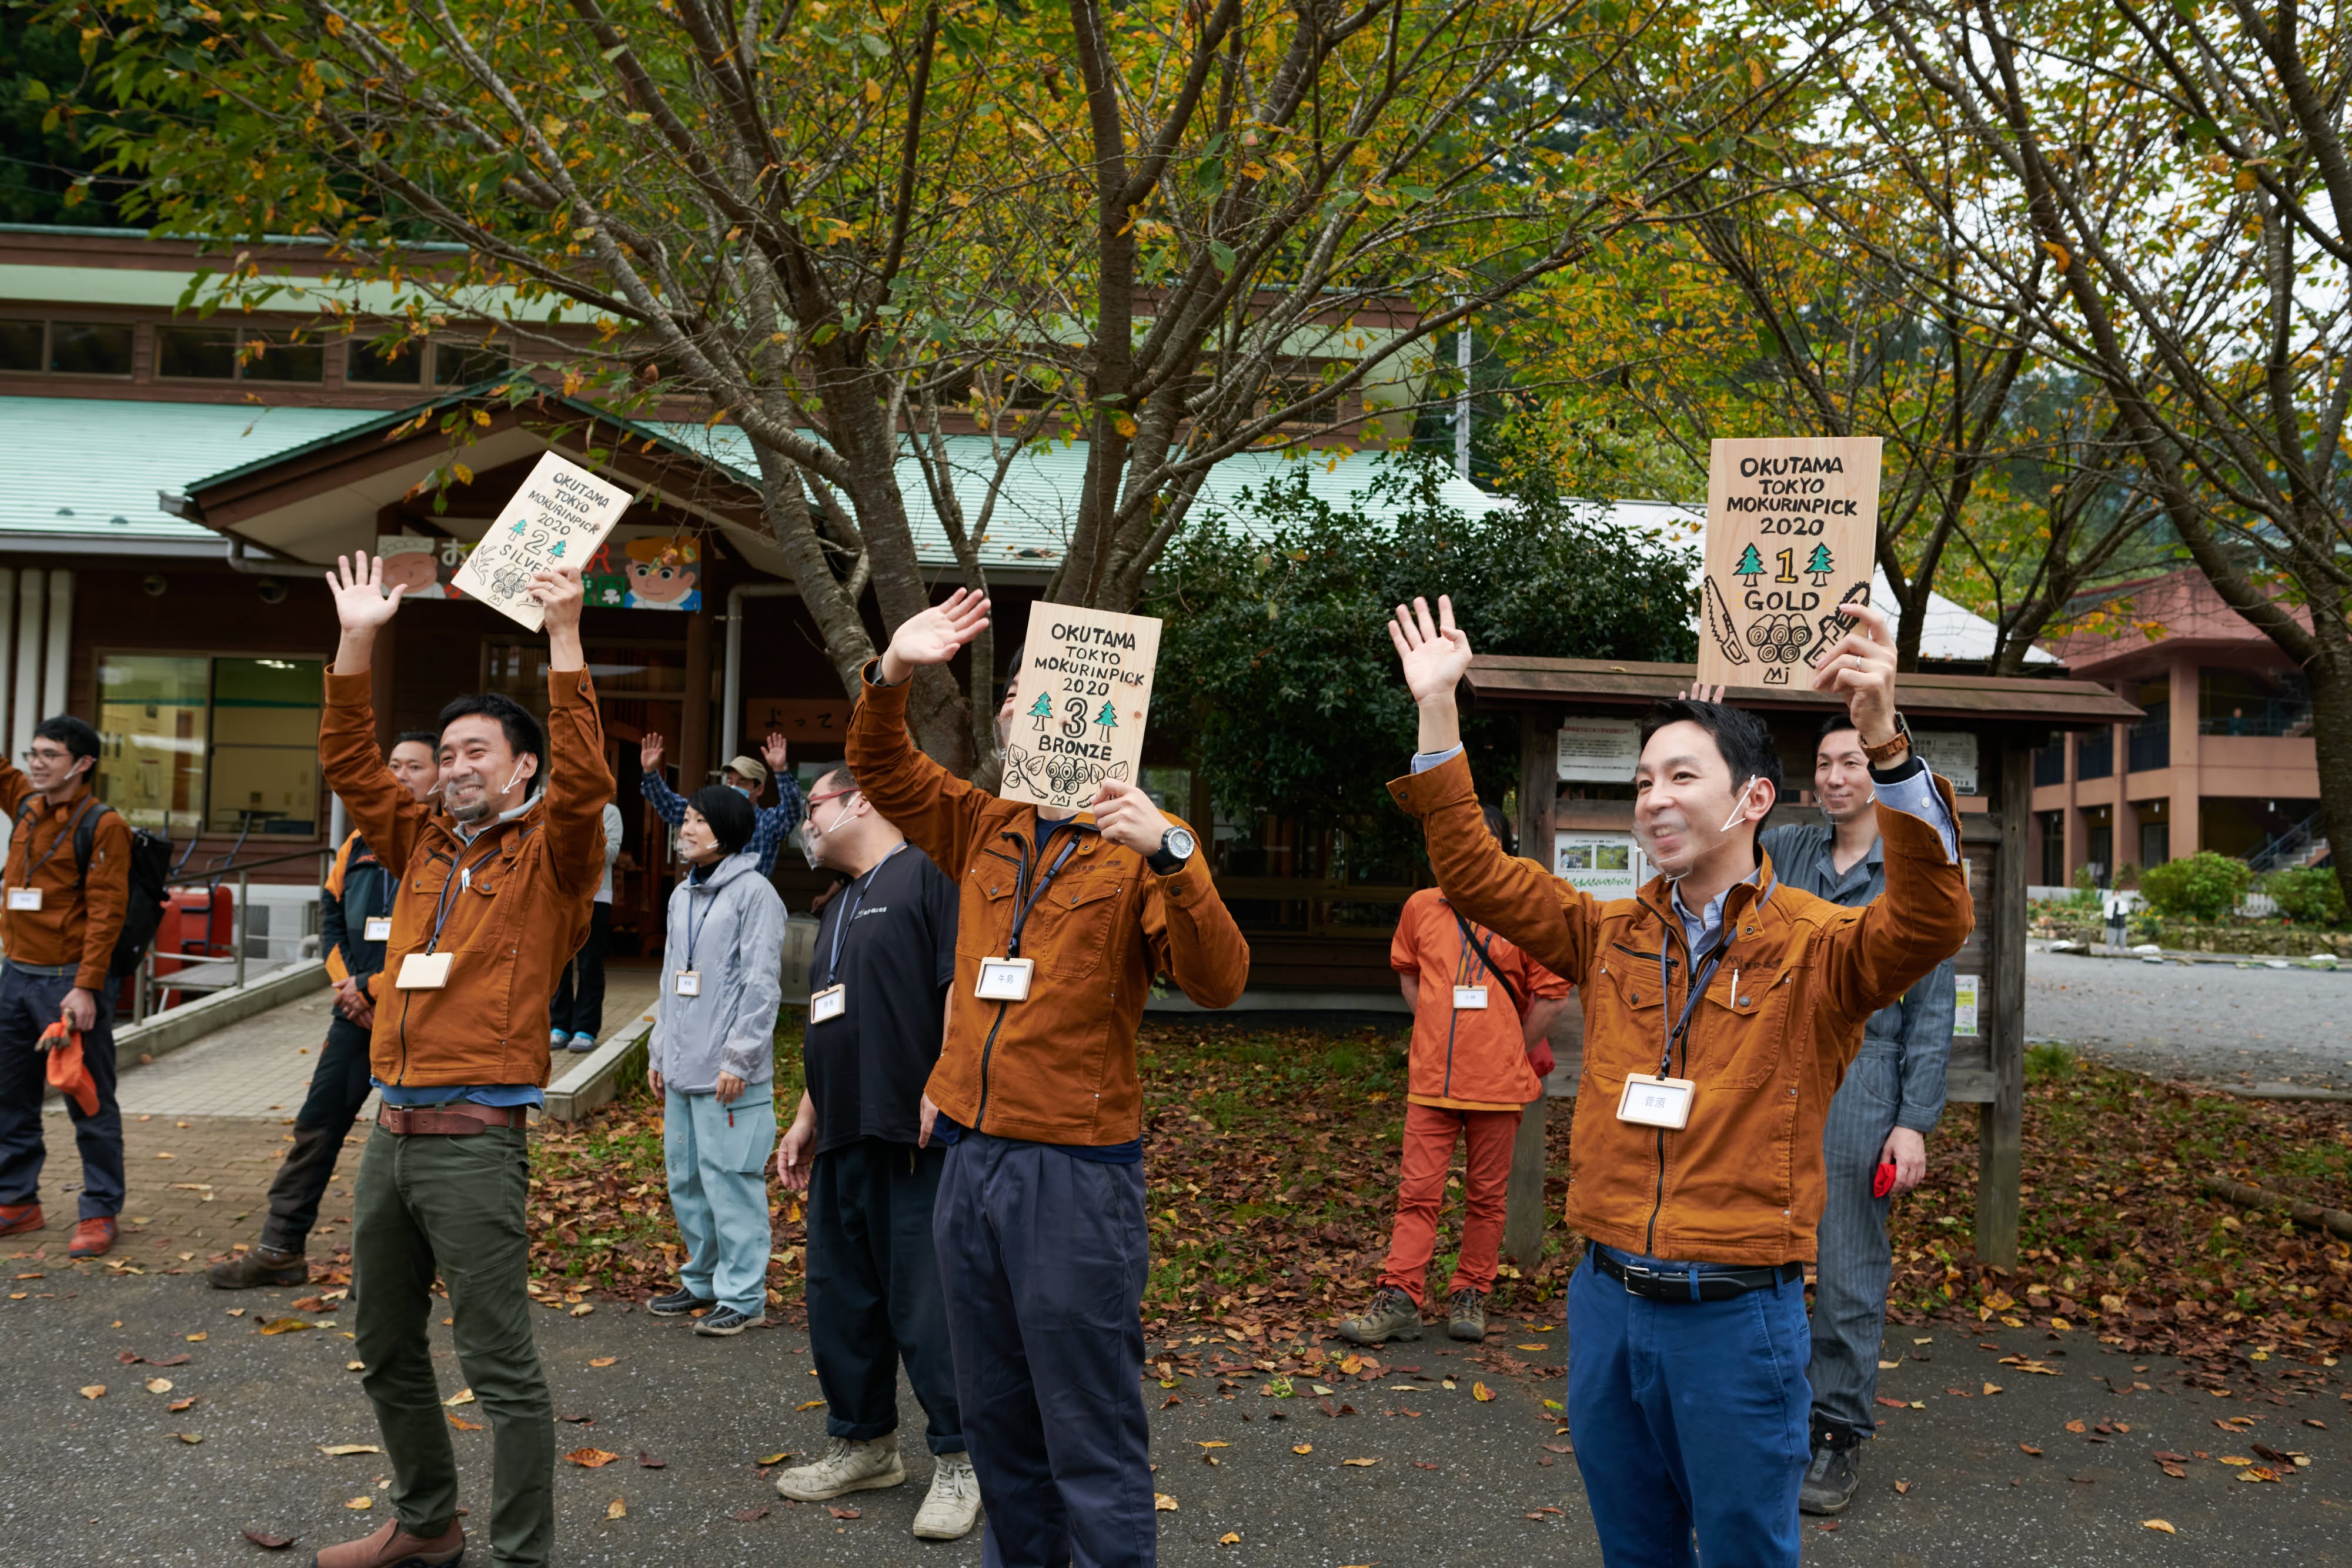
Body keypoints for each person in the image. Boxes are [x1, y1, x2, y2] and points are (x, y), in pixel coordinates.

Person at [1383, 594, 1970, 1568]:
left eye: (1681, 775)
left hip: (1738, 1316)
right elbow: (1477, 876)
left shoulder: (1820, 949)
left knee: (1743, 1550)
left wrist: (1884, 740)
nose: (1653, 796)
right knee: (1636, 1547)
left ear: (1752, 800)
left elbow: (1932, 923)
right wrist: (1439, 707)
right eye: (1643, 777)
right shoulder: (1606, 931)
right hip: (1608, 1302)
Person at [847, 591, 1248, 1568]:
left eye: (1048, 687)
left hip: (1075, 1175)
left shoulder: (1144, 844)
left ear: (1105, 715)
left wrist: (1174, 849)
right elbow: (880, 766)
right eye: (1018, 688)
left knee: (1089, 1429)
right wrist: (894, 668)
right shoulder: (984, 823)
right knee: (996, 1420)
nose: (1028, 699)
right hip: (969, 1159)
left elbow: (1219, 979)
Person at [310, 550, 614, 1568]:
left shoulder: (553, 856)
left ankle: (522, 1553)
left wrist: (565, 635)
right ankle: (428, 1521)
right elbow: (354, 762)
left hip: (476, 1140)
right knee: (384, 1345)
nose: (456, 765)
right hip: (389, 1130)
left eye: (477, 750)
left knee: (498, 1365)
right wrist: (358, 638)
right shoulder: (425, 840)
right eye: (446, 752)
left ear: (523, 766)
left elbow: (588, 787)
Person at [771, 763, 978, 1541]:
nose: (806, 823)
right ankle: (864, 1442)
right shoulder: (842, 900)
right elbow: (835, 1019)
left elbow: (958, 983)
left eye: (813, 806)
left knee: (928, 1304)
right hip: (844, 1135)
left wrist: (947, 1081)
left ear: (861, 799)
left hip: (914, 1135)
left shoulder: (928, 873)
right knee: (840, 1297)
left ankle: (963, 1458)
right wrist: (804, 1116)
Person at [1760, 717, 1955, 1515]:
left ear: (1875, 772)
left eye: (1851, 761)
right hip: (1779, 1063)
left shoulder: (1906, 865)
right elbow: (1725, 828)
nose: (1836, 776)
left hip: (1865, 1079)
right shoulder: (1795, 852)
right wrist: (1700, 726)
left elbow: (1933, 1008)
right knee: (1762, 1248)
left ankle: (1839, 1429)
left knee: (1846, 1267)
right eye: (1823, 763)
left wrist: (1913, 1120)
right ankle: (1776, 1412)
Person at [207, 730, 440, 1289]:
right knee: (317, 1127)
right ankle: (278, 1248)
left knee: (424, 1138)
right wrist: (348, 987)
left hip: (420, 1016)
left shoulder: (443, 845)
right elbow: (330, 922)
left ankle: (414, 1268)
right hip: (354, 1012)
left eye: (414, 766)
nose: (399, 775)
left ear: (439, 776)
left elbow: (443, 942)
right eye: (393, 764)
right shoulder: (356, 844)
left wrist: (375, 987)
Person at [1340, 803, 1570, 1347]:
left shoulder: (1521, 908)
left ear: (1501, 847)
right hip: (1432, 1082)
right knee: (1416, 1192)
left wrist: (1508, 1042)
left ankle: (1472, 1291)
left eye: (1479, 840)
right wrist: (1441, 1029)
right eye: (1451, 840)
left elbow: (1553, 993)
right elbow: (1411, 978)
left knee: (1488, 1197)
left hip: (1496, 1085)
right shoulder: (1421, 906)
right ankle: (1400, 1296)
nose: (1463, 849)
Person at [645, 785, 784, 1339]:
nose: (686, 826)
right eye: (686, 817)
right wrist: (659, 1051)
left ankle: (744, 1295)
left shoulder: (756, 894)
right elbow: (669, 979)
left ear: (726, 829)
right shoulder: (683, 895)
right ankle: (701, 1278)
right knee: (686, 1180)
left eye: (699, 819)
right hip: (682, 1067)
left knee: (731, 1181)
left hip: (728, 1074)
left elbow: (761, 983)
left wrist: (741, 1057)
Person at [0, 715, 132, 1259]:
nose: (36, 763)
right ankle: (17, 1201)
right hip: (16, 973)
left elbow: (107, 912)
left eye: (50, 755)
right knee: (10, 1096)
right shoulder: (27, 803)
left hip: (67, 982)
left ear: (82, 764)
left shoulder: (104, 824)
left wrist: (86, 987)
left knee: (87, 1096)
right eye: (33, 753)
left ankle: (100, 1210)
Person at [640, 730, 804, 878]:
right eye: (730, 781)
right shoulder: (712, 814)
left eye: (741, 783)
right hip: (711, 901)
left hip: (749, 903)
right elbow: (671, 806)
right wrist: (650, 772)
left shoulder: (767, 823)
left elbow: (793, 810)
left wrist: (780, 769)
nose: (733, 787)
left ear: (759, 789)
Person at [550, 800, 624, 1051]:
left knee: (590, 963)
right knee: (559, 962)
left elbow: (611, 853)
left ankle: (586, 1027)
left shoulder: (610, 813)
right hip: (560, 897)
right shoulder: (561, 810)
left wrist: (582, 836)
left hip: (596, 898)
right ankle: (559, 1024)